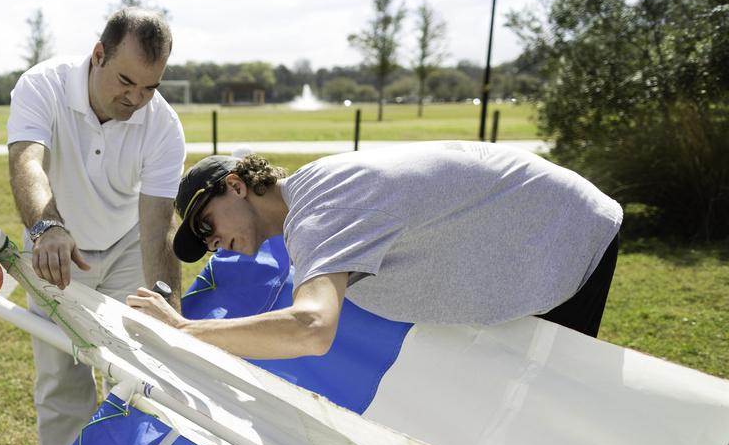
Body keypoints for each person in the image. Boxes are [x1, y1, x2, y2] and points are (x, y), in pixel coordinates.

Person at [126, 143, 622, 359]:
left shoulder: (317, 213)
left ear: (235, 186)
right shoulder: (315, 194)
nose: (212, 245)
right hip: (543, 237)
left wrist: (186, 330)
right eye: (203, 243)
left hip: (565, 237)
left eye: (206, 225)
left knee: (551, 408)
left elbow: (312, 329)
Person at [8, 7, 186, 445]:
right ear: (98, 55)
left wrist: (166, 300)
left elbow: (158, 221)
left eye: (151, 87)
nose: (136, 98)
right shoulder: (42, 84)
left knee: (138, 371)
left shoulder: (163, 127)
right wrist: (47, 226)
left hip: (129, 246)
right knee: (62, 378)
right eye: (126, 81)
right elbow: (27, 162)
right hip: (53, 246)